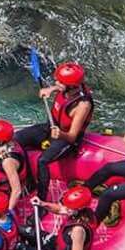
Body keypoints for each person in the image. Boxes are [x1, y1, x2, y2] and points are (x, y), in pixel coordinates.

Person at [14, 61, 93, 198]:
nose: (56, 81)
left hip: (66, 140)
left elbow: (72, 136)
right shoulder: (69, 87)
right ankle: (30, 181)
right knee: (16, 139)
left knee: (42, 161)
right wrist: (50, 89)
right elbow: (60, 86)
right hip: (50, 128)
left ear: (71, 86)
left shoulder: (82, 106)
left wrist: (60, 134)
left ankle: (42, 198)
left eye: (60, 81)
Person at [23, 186, 97, 250]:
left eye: (69, 208)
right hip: (58, 245)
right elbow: (60, 209)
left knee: (21, 247)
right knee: (24, 231)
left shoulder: (78, 231)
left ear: (78, 209)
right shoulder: (78, 211)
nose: (66, 209)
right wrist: (42, 203)